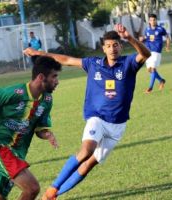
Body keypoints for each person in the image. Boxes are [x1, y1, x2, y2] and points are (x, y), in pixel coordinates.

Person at [24, 24, 151, 200]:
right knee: (86, 151)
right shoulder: (94, 64)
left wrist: (129, 37)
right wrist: (40, 54)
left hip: (118, 125)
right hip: (97, 118)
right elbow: (67, 60)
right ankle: (53, 188)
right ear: (103, 48)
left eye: (116, 45)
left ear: (120, 46)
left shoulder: (128, 64)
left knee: (89, 165)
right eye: (108, 45)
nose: (112, 49)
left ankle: (52, 196)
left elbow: (146, 54)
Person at [0, 56, 62, 200]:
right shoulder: (14, 92)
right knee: (32, 188)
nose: (57, 81)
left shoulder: (47, 100)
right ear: (41, 77)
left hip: (17, 152)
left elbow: (39, 128)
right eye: (54, 77)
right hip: (0, 146)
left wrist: (47, 135)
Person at [140, 13, 171, 94]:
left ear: (156, 20)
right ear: (149, 21)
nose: (153, 21)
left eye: (154, 20)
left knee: (153, 69)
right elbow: (146, 38)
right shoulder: (147, 29)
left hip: (156, 52)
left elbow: (167, 37)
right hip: (148, 52)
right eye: (151, 20)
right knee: (150, 70)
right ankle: (161, 80)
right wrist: (142, 39)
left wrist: (167, 46)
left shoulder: (160, 29)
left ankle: (150, 88)